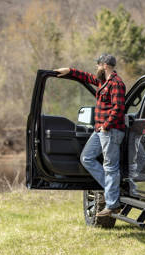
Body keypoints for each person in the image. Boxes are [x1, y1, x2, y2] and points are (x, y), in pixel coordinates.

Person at [54, 54, 126, 217]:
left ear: (105, 65)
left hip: (111, 131)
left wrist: (106, 126)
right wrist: (70, 71)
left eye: (98, 65)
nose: (96, 67)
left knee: (110, 167)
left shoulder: (117, 84)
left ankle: (113, 204)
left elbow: (118, 109)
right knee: (86, 157)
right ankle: (112, 190)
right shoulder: (102, 81)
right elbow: (86, 77)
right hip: (100, 130)